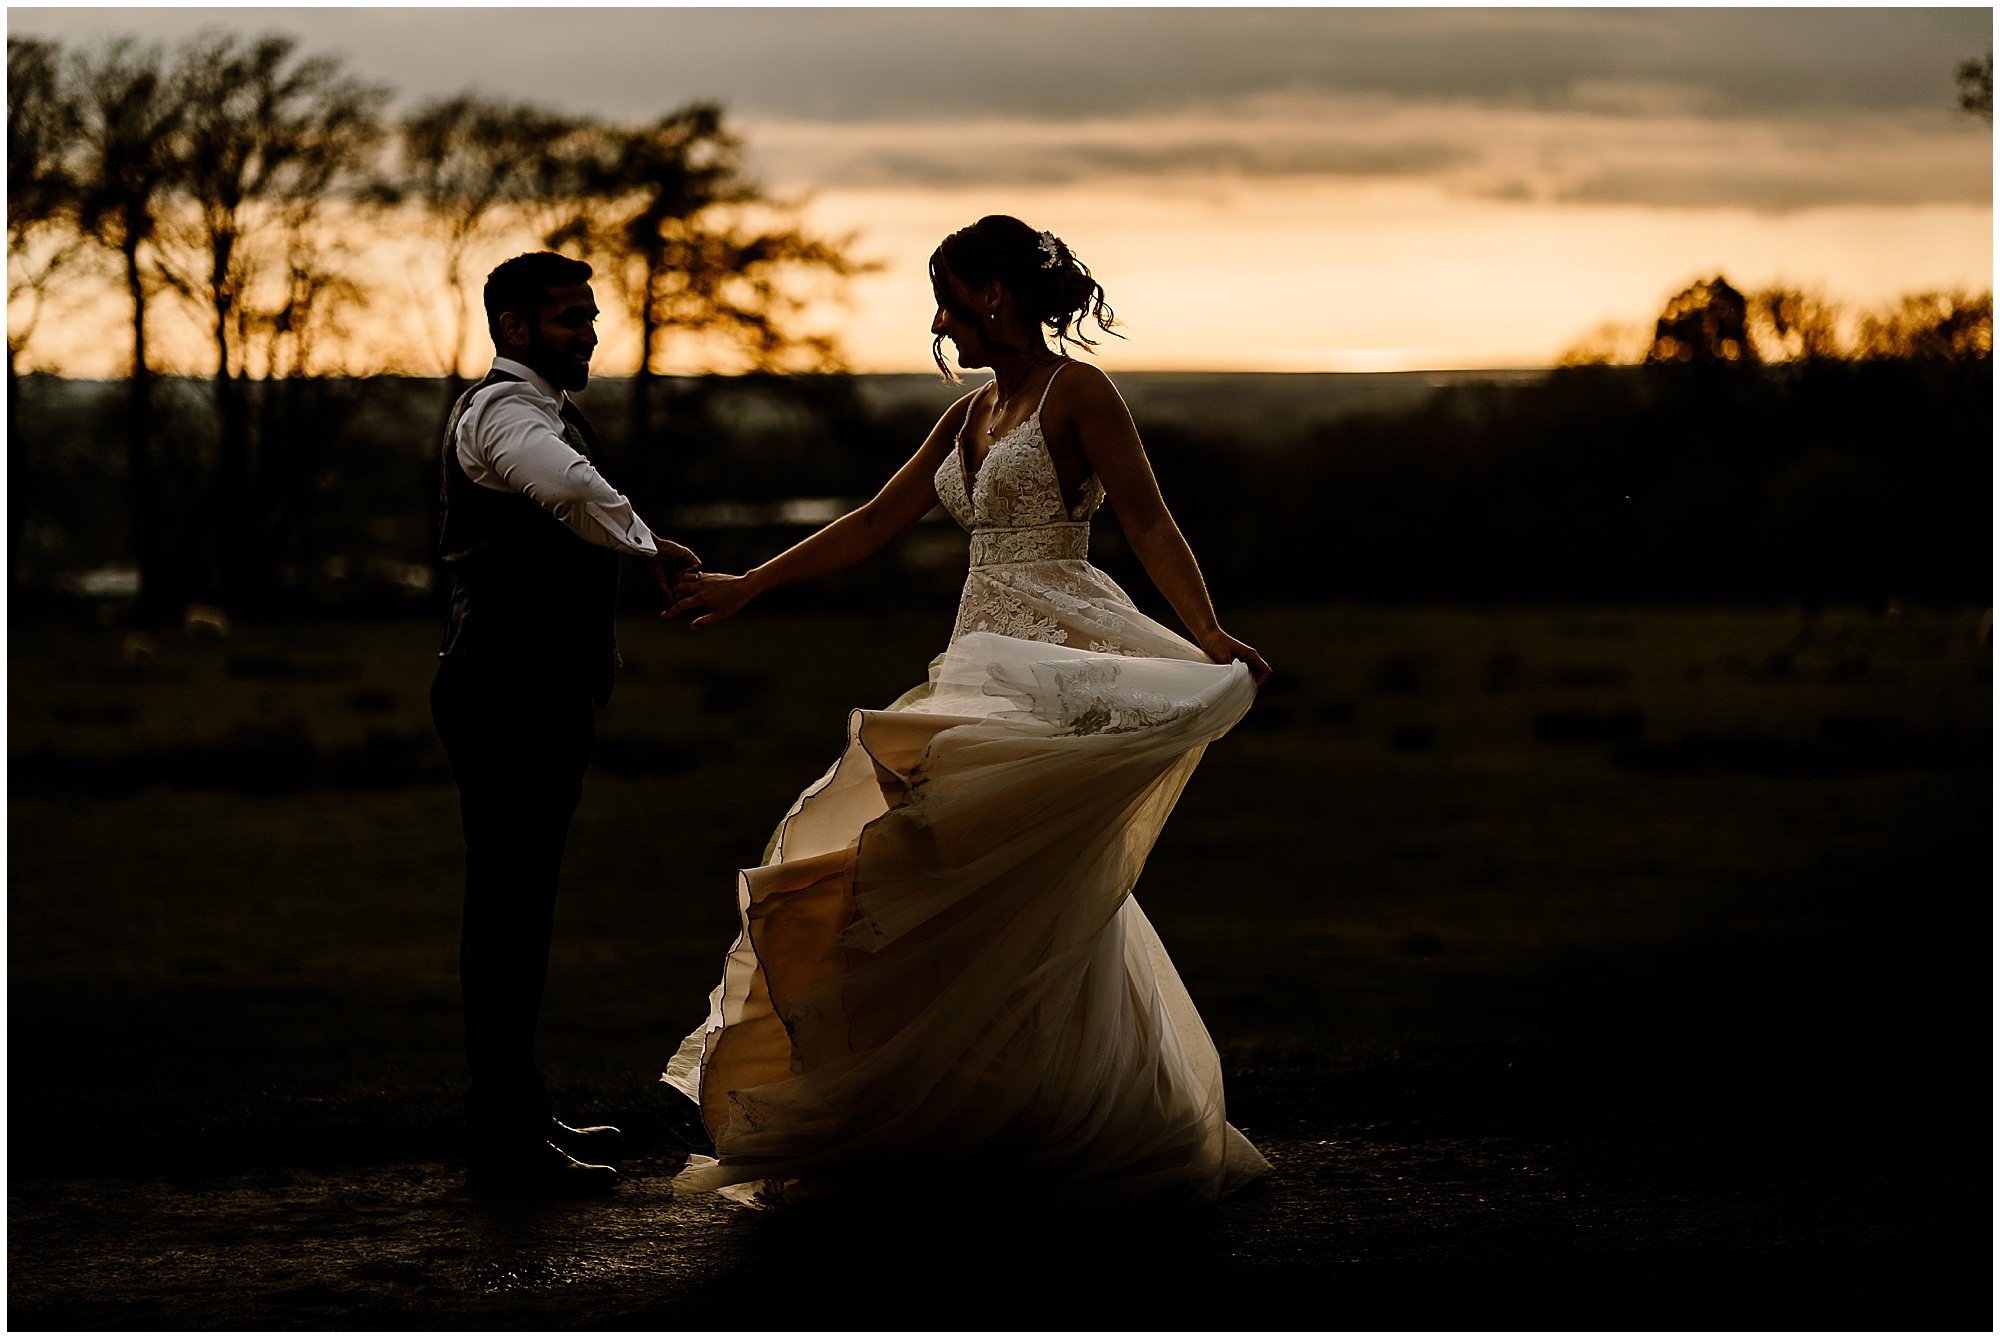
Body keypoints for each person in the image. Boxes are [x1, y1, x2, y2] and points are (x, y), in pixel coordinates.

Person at [660, 215, 1273, 1206]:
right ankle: (970, 1111)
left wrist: (1205, 633)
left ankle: (1058, 1113)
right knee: (938, 885)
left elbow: (1149, 518)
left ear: (993, 296)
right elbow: (872, 521)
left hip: (1053, 660)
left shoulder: (1080, 394)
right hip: (973, 664)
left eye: (948, 294)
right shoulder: (966, 414)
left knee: (1016, 884)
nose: (940, 316)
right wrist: (748, 585)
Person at [430, 251, 698, 1196]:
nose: (590, 331)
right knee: (506, 914)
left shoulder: (546, 411)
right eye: (568, 318)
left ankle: (516, 1113)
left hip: (530, 694)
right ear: (513, 328)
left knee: (520, 911)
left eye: (589, 315)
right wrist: (652, 544)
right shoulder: (505, 414)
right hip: (504, 695)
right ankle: (504, 1141)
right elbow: (571, 494)